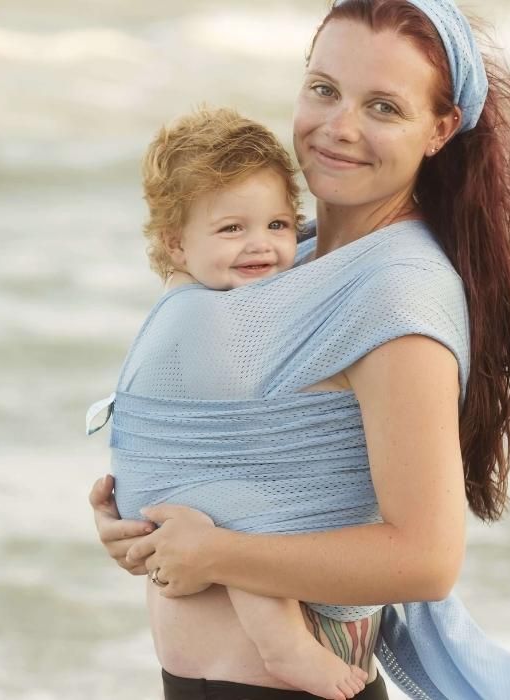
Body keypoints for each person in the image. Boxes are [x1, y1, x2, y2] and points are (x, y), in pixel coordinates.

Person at [89, 1, 510, 698]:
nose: (338, 128)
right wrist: (144, 524)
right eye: (323, 89)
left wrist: (212, 553)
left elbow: (424, 559)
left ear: (439, 129)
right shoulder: (295, 252)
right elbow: (246, 462)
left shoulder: (393, 296)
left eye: (382, 106)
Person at [89, 106, 370, 699]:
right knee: (242, 511)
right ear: (176, 244)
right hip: (251, 670)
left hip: (210, 651)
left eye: (278, 225)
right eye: (231, 229)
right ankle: (284, 643)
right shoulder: (208, 319)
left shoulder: (203, 301)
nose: (260, 246)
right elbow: (240, 478)